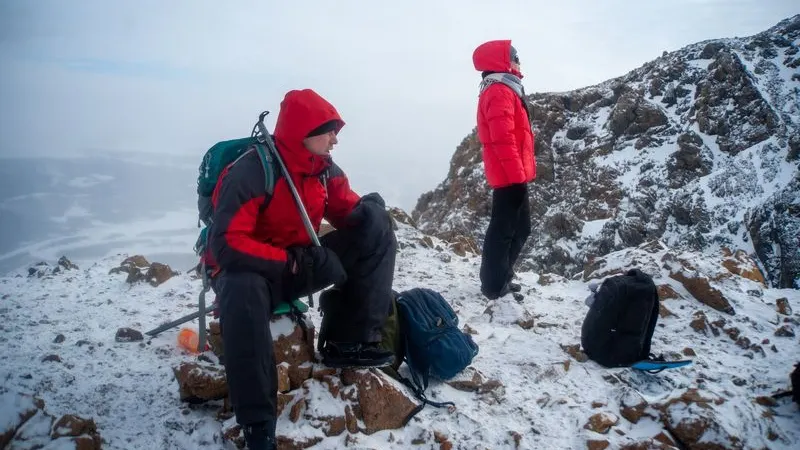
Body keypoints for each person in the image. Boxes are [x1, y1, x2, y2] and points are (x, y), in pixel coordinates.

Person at [205, 88, 397, 449]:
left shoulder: (322, 171)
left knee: (377, 227)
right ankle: (259, 428)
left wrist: (369, 211)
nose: (335, 139)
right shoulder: (252, 171)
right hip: (250, 272)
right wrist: (290, 262)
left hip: (299, 266)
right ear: (303, 132)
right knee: (242, 290)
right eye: (329, 131)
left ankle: (349, 341)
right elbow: (227, 245)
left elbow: (346, 210)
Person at [471, 40, 536, 301]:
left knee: (519, 227)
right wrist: (516, 177)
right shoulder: (498, 90)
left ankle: (501, 276)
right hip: (509, 175)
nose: (519, 62)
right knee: (504, 230)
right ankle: (494, 285)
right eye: (515, 57)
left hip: (513, 173)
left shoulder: (504, 88)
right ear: (501, 61)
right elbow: (502, 138)